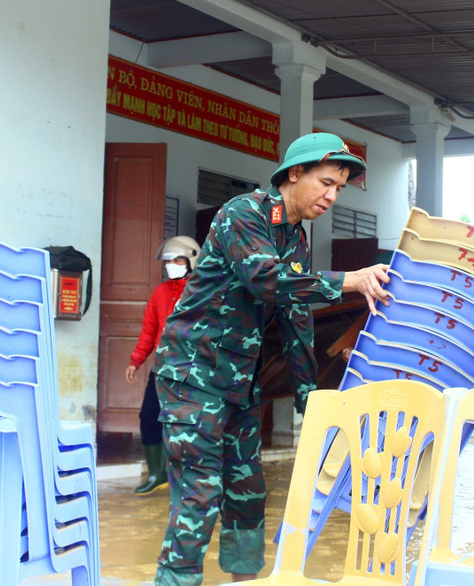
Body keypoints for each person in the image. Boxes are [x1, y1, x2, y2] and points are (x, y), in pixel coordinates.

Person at [151, 132, 390, 585]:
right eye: (325, 182)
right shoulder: (244, 213)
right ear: (293, 174)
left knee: (248, 491)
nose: (332, 196)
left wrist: (308, 399)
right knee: (200, 494)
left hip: (240, 381)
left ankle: (245, 580)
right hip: (192, 374)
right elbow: (266, 281)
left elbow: (296, 318)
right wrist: (349, 280)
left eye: (338, 188)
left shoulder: (295, 238)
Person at [125, 235, 200, 495]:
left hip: (192, 370)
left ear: (191, 261)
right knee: (148, 417)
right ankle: (156, 474)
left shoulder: (201, 292)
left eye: (177, 260)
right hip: (162, 368)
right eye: (168, 261)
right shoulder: (159, 293)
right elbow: (149, 331)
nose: (171, 265)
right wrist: (136, 360)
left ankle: (189, 479)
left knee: (186, 423)